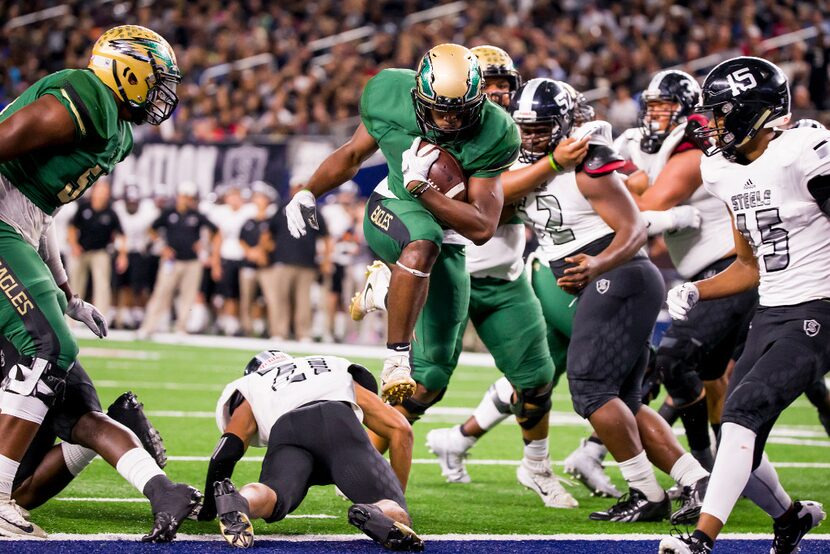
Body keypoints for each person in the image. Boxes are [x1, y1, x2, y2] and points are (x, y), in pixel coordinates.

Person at [0, 25, 199, 540]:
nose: (163, 94)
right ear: (127, 71)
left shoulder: (117, 131)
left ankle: (160, 489)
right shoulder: (87, 96)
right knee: (47, 347)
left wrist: (66, 292)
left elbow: (37, 211)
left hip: (16, 228)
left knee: (71, 392)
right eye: (156, 80)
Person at [503, 78, 709, 524]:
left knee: (590, 388)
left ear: (563, 124)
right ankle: (695, 480)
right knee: (625, 400)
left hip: (618, 273)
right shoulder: (522, 163)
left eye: (542, 127)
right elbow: (497, 200)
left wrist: (597, 266)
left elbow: (634, 229)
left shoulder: (587, 161)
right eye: (525, 128)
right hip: (596, 279)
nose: (533, 137)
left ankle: (645, 491)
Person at [284, 43, 519, 405]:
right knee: (423, 241)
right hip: (392, 204)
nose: (450, 121)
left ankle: (385, 289)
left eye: (460, 111)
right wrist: (308, 191)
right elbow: (352, 153)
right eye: (440, 110)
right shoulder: (388, 92)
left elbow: (482, 228)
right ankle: (395, 358)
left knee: (438, 365)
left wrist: (426, 191)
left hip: (451, 230)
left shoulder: (496, 130)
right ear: (419, 96)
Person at [658, 57, 829, 554]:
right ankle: (790, 516)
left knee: (744, 412)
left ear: (754, 111)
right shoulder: (722, 170)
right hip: (771, 309)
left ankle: (701, 540)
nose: (712, 125)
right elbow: (748, 265)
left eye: (722, 112)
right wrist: (698, 289)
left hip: (819, 306)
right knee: (738, 431)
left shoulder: (804, 149)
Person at [614, 69, 756, 472]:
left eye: (666, 106)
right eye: (653, 106)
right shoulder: (662, 150)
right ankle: (726, 464)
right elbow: (628, 188)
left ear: (687, 111)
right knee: (711, 376)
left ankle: (703, 462)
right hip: (712, 272)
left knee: (674, 359)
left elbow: (642, 205)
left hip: (731, 269)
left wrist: (645, 198)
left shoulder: (693, 149)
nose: (657, 114)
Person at [200, 350, 423, 551]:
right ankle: (379, 511)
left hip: (288, 434)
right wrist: (394, 496)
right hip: (337, 425)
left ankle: (243, 501)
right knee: (392, 507)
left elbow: (226, 452)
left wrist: (209, 509)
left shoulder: (255, 384)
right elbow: (401, 429)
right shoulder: (329, 369)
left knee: (273, 493)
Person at [0, 338, 167, 517]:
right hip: (38, 345)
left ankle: (163, 490)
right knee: (83, 422)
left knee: (12, 491)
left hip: (35, 353)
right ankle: (115, 427)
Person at [137, 181, 218, 338]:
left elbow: (215, 231)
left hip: (192, 262)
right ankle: (148, 327)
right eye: (183, 196)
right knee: (161, 293)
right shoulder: (168, 213)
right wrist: (162, 247)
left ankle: (181, 328)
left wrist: (205, 246)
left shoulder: (197, 215)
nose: (185, 199)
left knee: (187, 296)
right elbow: (151, 229)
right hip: (172, 261)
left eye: (189, 196)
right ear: (178, 196)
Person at [67, 179, 127, 326]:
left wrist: (122, 255)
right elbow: (72, 228)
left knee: (102, 286)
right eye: (100, 191)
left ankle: (100, 319)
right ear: (94, 192)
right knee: (75, 285)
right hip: (81, 251)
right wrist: (74, 245)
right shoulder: (84, 208)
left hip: (101, 252)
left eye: (105, 192)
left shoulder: (111, 212)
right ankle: (70, 321)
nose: (103, 194)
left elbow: (121, 235)